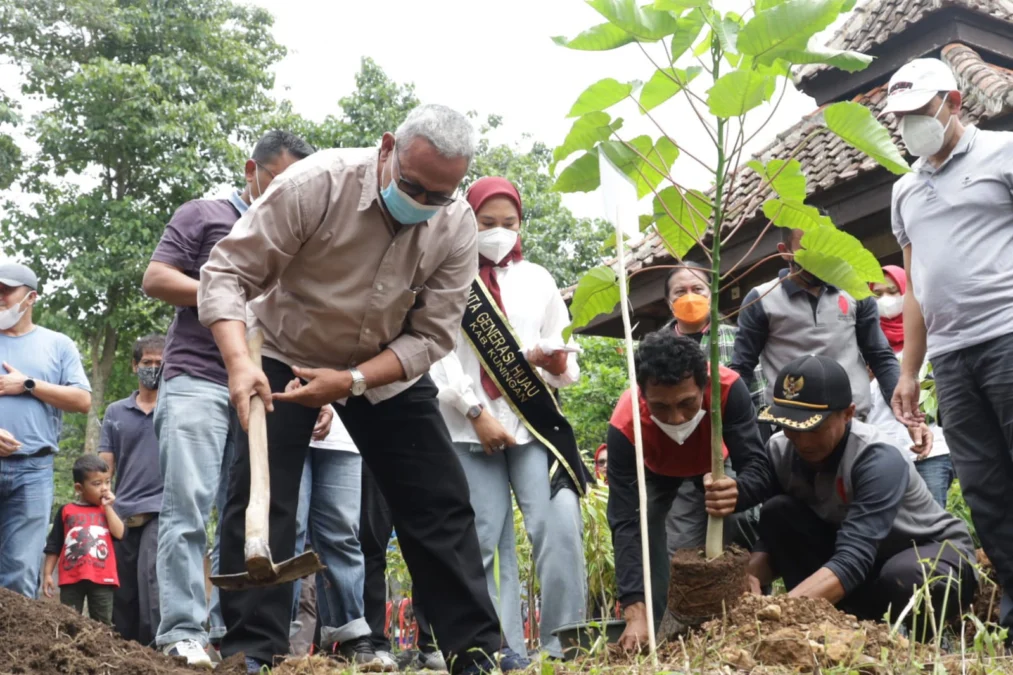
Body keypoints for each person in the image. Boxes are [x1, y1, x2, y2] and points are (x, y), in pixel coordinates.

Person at [197, 104, 519, 674]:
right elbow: (227, 273)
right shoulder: (315, 184)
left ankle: (474, 650)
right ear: (388, 147)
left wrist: (353, 380)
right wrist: (237, 363)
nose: (422, 202)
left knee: (439, 502)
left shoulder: (457, 224)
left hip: (385, 368)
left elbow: (434, 332)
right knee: (261, 498)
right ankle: (252, 651)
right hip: (283, 351)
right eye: (413, 185)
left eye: (439, 195)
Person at [142, 130, 322, 665]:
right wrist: (225, 288)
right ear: (253, 170)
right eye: (281, 180)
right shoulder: (204, 215)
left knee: (247, 509)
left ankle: (233, 632)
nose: (288, 193)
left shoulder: (297, 238)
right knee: (188, 506)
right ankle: (181, 629)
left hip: (265, 382)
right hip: (198, 377)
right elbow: (155, 277)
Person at [430, 176, 589, 660]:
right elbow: (437, 352)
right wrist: (474, 410)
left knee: (559, 525)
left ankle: (565, 645)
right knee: (484, 538)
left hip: (533, 424)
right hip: (467, 424)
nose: (499, 231)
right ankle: (499, 650)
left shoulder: (538, 278)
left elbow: (567, 360)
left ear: (520, 224)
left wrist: (558, 364)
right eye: (487, 223)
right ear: (467, 219)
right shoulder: (446, 273)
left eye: (509, 223)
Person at [883, 57, 1013, 629]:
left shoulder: (1003, 154)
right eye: (900, 117)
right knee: (985, 486)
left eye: (919, 112)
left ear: (954, 103)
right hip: (952, 359)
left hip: (1008, 335)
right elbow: (914, 290)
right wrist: (910, 372)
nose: (910, 125)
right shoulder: (903, 190)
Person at [744, 355, 976, 630]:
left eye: (814, 428)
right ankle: (829, 627)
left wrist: (780, 615)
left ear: (848, 413)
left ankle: (924, 639)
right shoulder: (780, 449)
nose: (802, 441)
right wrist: (745, 580)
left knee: (904, 575)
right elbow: (774, 540)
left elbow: (854, 559)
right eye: (791, 427)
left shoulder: (876, 457)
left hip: (931, 555)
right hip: (861, 563)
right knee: (778, 512)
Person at [606, 330, 773, 651]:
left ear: (704, 387)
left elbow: (758, 468)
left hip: (716, 466)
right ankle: (656, 631)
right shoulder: (626, 425)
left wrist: (738, 492)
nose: (676, 417)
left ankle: (752, 610)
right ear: (642, 396)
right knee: (649, 526)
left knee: (738, 520)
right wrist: (633, 609)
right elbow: (625, 520)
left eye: (687, 403)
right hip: (656, 470)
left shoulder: (728, 389)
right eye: (660, 407)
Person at [730, 227, 900, 431]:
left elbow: (879, 355)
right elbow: (742, 369)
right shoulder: (761, 299)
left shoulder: (855, 292)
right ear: (785, 251)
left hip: (852, 421)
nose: (819, 258)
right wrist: (738, 429)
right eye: (808, 250)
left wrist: (904, 410)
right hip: (790, 427)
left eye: (825, 248)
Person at [0, 262, 91, 598]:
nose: (0, 297)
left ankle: (10, 650)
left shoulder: (58, 344)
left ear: (31, 297)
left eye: (6, 290)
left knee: (22, 571)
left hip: (34, 471)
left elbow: (82, 400)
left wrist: (27, 384)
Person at [290, 414, 408, 671]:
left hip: (344, 437)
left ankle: (351, 637)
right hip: (288, 426)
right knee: (289, 532)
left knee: (343, 537)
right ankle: (278, 637)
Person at [662, 262, 762, 555]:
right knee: (680, 543)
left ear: (711, 294)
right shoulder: (657, 347)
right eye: (680, 291)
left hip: (730, 451)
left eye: (697, 289)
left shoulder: (736, 338)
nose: (689, 296)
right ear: (669, 302)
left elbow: (756, 398)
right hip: (677, 456)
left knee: (738, 531)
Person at [97, 334, 165, 645]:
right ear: (134, 366)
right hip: (122, 510)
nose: (153, 368)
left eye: (159, 363)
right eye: (147, 362)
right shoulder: (115, 412)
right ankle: (124, 651)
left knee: (150, 578)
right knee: (122, 587)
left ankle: (154, 650)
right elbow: (105, 464)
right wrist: (100, 495)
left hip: (161, 507)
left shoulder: (175, 407)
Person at [869, 266, 953, 506]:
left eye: (893, 291)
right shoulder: (866, 345)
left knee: (933, 528)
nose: (886, 300)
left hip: (930, 451)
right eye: (878, 294)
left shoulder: (929, 336)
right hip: (884, 454)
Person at [359, 460, 444, 671]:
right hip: (371, 448)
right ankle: (375, 643)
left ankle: (431, 644)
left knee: (426, 549)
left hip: (420, 449)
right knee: (371, 549)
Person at [42, 455, 125, 624]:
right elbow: (54, 545)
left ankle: (103, 650)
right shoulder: (67, 511)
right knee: (69, 621)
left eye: (107, 482)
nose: (104, 488)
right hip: (71, 576)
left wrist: (108, 507)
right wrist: (48, 574)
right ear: (79, 488)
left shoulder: (109, 511)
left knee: (102, 623)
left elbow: (120, 533)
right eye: (97, 484)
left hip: (103, 577)